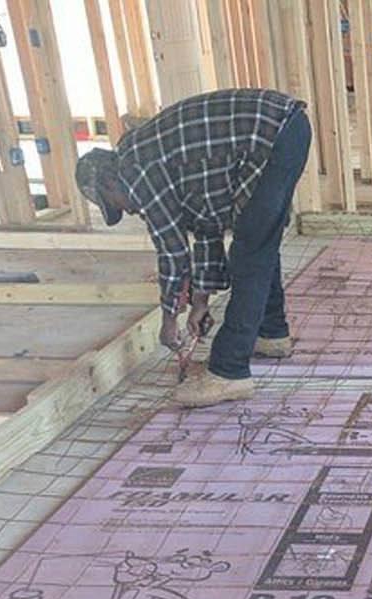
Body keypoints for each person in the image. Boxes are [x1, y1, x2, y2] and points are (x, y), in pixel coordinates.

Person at [74, 88, 312, 408]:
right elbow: (207, 230)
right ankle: (271, 333)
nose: (127, 212)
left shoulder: (136, 170)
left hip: (271, 133)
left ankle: (229, 371)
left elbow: (172, 251)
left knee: (249, 253)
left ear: (109, 183)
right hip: (285, 130)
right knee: (259, 241)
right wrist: (200, 302)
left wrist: (169, 320)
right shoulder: (149, 161)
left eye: (115, 205)